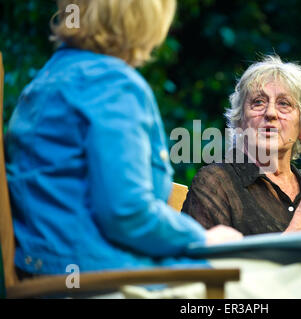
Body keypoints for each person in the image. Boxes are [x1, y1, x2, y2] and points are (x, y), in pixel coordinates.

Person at [5, 0, 242, 279]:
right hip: (102, 277)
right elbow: (127, 213)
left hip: (52, 271)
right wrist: (202, 239)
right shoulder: (111, 83)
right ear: (145, 17)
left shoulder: (46, 80)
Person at [182, 55, 301, 299]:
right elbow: (197, 286)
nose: (270, 113)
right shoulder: (216, 183)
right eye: (258, 102)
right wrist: (283, 249)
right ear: (240, 123)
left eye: (284, 104)